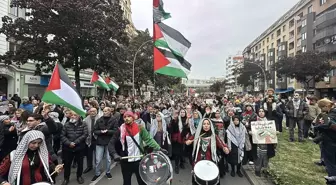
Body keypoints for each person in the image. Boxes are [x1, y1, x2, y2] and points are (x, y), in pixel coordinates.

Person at [108, 111, 167, 185]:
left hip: (139, 161)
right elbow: (111, 143)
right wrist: (114, 154)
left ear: (133, 118)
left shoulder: (140, 128)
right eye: (125, 117)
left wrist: (159, 148)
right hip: (126, 161)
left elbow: (148, 139)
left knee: (142, 182)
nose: (126, 118)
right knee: (126, 182)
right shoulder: (120, 130)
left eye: (129, 116)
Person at [185, 118, 229, 185]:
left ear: (210, 126)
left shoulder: (214, 136)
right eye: (204, 124)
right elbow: (187, 142)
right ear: (201, 125)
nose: (206, 125)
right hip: (198, 162)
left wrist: (225, 148)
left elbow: (222, 145)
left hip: (210, 162)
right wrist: (187, 143)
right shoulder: (196, 135)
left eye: (208, 124)